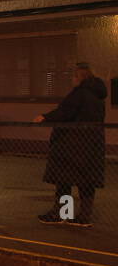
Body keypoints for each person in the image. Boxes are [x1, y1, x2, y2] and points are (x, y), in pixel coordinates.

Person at [35, 62, 106, 227]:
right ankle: (84, 216)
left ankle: (61, 213)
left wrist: (45, 117)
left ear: (79, 77)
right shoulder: (98, 97)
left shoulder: (79, 94)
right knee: (87, 182)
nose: (72, 80)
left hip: (71, 144)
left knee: (64, 180)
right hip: (91, 144)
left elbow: (65, 112)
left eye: (73, 76)